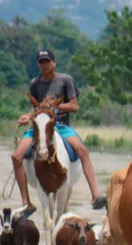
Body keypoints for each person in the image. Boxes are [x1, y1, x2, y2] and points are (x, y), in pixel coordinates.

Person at [11, 49, 107, 211]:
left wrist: (54, 106)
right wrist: (28, 116)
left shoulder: (65, 80)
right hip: (40, 126)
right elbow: (36, 108)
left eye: (47, 61)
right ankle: (26, 203)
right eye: (41, 62)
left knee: (82, 150)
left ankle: (95, 195)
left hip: (61, 125)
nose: (44, 65)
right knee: (16, 156)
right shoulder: (35, 83)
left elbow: (74, 106)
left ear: (54, 63)